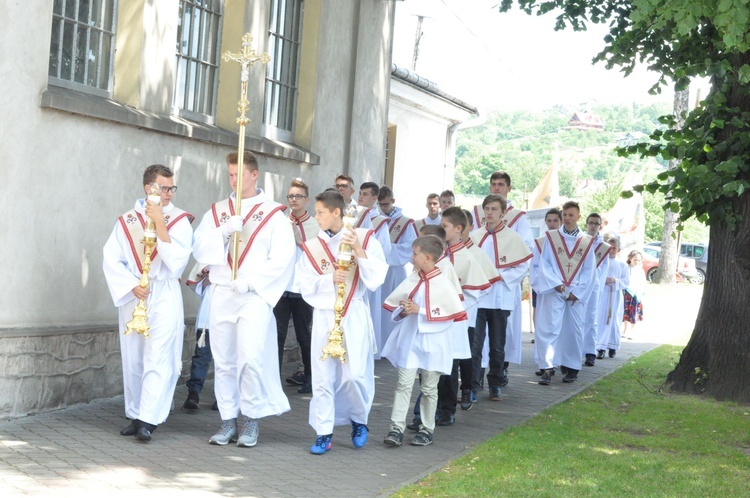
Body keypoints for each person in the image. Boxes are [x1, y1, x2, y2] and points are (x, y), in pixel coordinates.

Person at [192, 151, 294, 447]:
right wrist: (223, 232)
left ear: (254, 175)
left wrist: (252, 282)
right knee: (223, 360)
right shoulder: (218, 211)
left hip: (253, 295)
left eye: (239, 175)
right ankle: (227, 420)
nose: (234, 180)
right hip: (222, 291)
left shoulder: (274, 213)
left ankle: (251, 420)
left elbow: (283, 257)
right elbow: (199, 249)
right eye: (230, 175)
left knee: (249, 358)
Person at [103, 164, 194, 442]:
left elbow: (177, 262)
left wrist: (161, 224)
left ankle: (149, 420)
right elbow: (110, 258)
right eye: (163, 188)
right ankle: (135, 413)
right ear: (148, 188)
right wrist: (131, 285)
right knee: (134, 355)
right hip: (134, 293)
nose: (168, 194)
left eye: (171, 188)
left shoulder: (179, 220)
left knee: (159, 354)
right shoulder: (127, 220)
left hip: (163, 291)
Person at [297, 190, 388, 455]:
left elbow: (376, 277)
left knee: (355, 375)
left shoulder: (364, 238)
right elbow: (304, 284)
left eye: (321, 212)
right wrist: (329, 280)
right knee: (323, 376)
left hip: (354, 313)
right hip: (325, 314)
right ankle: (323, 432)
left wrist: (358, 250)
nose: (317, 217)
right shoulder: (313, 247)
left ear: (337, 212)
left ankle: (359, 421)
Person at [382, 235, 468, 447]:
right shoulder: (412, 279)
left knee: (429, 388)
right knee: (403, 384)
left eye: (415, 254)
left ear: (427, 257)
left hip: (434, 344)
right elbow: (396, 309)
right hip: (411, 340)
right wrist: (404, 310)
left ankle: (427, 428)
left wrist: (420, 311)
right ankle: (396, 427)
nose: (411, 257)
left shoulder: (444, 283)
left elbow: (452, 314)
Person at [468, 195, 532, 401]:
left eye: (494, 209)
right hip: (478, 298)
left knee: (497, 345)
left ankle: (495, 383)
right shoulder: (475, 236)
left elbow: (522, 265)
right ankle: (473, 384)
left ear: (503, 213)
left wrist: (501, 277)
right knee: (475, 345)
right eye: (487, 208)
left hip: (500, 297)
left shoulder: (513, 237)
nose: (489, 213)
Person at [435, 207, 491, 425]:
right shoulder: (438, 253)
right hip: (435, 317)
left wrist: (456, 305)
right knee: (433, 364)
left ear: (459, 229)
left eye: (445, 226)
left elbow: (479, 289)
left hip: (456, 319)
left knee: (451, 365)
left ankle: (447, 409)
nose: (441, 229)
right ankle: (428, 409)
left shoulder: (467, 256)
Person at [534, 201, 596, 385]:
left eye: (571, 215)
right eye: (565, 215)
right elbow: (544, 264)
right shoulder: (552, 238)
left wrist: (576, 292)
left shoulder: (586, 242)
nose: (567, 218)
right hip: (554, 290)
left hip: (575, 293)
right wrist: (556, 284)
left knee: (574, 330)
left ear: (578, 217)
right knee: (549, 328)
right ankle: (547, 368)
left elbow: (589, 270)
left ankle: (572, 367)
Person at [275, 179, 319, 394]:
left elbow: (316, 253)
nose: (294, 200)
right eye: (291, 196)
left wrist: (297, 236)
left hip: (302, 287)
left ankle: (310, 376)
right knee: (278, 334)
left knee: (304, 334)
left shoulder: (315, 224)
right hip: (282, 286)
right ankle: (273, 379)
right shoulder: (280, 221)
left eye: (298, 196)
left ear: (307, 200)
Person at [378, 186, 418, 351]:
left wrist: (386, 249)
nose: (383, 208)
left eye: (386, 204)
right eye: (380, 204)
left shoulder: (406, 223)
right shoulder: (375, 219)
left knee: (392, 307)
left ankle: (391, 346)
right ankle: (378, 344)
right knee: (377, 307)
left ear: (393, 201)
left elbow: (410, 247)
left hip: (394, 269)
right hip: (378, 269)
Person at [357, 182, 392, 358]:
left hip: (368, 272)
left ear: (374, 198)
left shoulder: (379, 223)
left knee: (369, 311)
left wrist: (365, 260)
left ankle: (368, 350)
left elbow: (384, 251)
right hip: (352, 273)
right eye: (360, 193)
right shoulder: (353, 216)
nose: (361, 197)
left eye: (365, 194)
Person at [530, 208, 562, 376]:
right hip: (545, 289)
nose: (552, 224)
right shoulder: (541, 242)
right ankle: (544, 363)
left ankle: (556, 361)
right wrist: (543, 283)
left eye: (555, 220)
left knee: (557, 327)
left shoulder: (567, 242)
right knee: (543, 326)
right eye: (548, 221)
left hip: (563, 291)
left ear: (561, 222)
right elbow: (535, 265)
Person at [182, 263, 218, 411]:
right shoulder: (210, 255)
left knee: (227, 359)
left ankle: (222, 397)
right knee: (201, 356)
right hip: (208, 316)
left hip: (230, 314)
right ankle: (194, 393)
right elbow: (197, 283)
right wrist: (205, 281)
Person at [582, 213, 612, 367]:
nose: (593, 225)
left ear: (600, 226)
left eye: (596, 223)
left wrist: (598, 286)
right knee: (576, 319)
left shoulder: (604, 247)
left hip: (594, 285)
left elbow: (604, 268)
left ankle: (590, 352)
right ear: (586, 224)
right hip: (579, 284)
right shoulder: (580, 240)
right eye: (590, 223)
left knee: (591, 319)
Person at [596, 235, 629, 358]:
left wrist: (615, 281)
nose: (611, 250)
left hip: (615, 295)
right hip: (603, 294)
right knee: (602, 319)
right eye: (609, 247)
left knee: (613, 320)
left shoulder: (622, 265)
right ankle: (601, 347)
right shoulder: (601, 263)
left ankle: (613, 346)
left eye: (614, 248)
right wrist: (603, 280)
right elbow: (596, 276)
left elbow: (626, 282)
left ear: (618, 250)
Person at [621, 250, 646, 343]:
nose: (637, 262)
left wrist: (640, 293)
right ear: (630, 259)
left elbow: (643, 283)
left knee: (634, 312)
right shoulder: (627, 268)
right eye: (635, 259)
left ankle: (632, 331)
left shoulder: (641, 270)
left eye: (639, 260)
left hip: (636, 294)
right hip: (627, 292)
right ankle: (624, 330)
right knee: (626, 312)